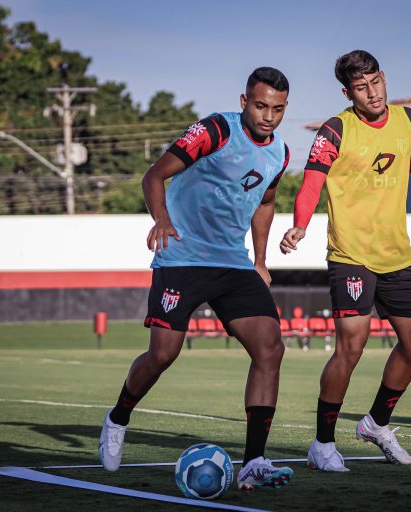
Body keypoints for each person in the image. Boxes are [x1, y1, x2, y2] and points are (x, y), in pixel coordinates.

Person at [99, 67, 293, 491]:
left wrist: (260, 260)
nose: (268, 117)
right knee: (163, 355)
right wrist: (162, 219)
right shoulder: (215, 130)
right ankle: (118, 418)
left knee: (270, 349)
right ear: (244, 102)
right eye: (260, 106)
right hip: (183, 258)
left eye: (277, 109)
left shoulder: (280, 152)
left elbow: (265, 203)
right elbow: (154, 174)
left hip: (234, 265)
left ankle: (255, 461)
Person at [279, 50, 411, 472]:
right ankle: (322, 444)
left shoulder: (409, 120)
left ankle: (376, 423)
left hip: (398, 255)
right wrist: (300, 225)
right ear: (348, 92)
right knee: (351, 348)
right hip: (351, 256)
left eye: (375, 81)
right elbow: (311, 184)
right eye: (361, 87)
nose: (372, 92)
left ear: (383, 77)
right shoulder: (334, 130)